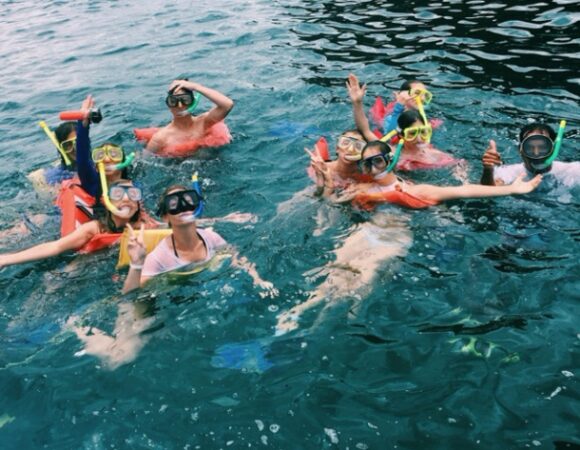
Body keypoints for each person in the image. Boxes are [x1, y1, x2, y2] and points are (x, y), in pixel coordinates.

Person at [122, 185, 277, 296]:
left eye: (188, 201)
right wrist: (137, 263)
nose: (183, 208)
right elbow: (133, 295)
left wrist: (257, 279)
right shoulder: (159, 258)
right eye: (174, 205)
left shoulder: (211, 238)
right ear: (165, 216)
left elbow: (236, 258)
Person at [0, 180, 152, 270]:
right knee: (56, 280)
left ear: (138, 204)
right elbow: (56, 247)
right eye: (118, 195)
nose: (126, 199)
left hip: (125, 265)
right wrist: (6, 260)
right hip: (86, 262)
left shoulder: (145, 225)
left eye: (133, 195)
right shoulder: (94, 228)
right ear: (106, 202)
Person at [347, 74, 460, 171]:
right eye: (412, 133)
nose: (420, 138)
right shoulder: (392, 152)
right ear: (401, 135)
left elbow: (459, 163)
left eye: (423, 132)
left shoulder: (433, 154)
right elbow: (365, 131)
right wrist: (357, 103)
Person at [145, 79, 234, 156]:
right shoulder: (161, 138)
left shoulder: (204, 122)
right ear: (169, 106)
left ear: (193, 102)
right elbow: (144, 161)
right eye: (173, 101)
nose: (179, 106)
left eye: (185, 100)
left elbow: (227, 105)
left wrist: (196, 87)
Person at [480, 122, 579, 188]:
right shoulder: (510, 173)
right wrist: (488, 169)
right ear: (520, 150)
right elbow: (489, 191)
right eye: (529, 147)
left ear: (553, 149)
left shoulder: (572, 171)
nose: (536, 153)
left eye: (543, 147)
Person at [28, 121, 77, 196]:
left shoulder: (97, 164)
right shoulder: (56, 179)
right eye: (68, 145)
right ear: (61, 149)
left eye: (79, 142)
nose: (76, 148)